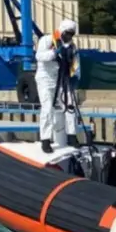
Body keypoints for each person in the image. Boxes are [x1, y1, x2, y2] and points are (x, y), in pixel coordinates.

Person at [36, 19, 79, 153]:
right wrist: (55, 52)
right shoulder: (47, 40)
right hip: (45, 79)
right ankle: (45, 140)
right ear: (61, 31)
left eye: (71, 34)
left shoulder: (71, 46)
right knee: (47, 108)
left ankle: (72, 135)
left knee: (70, 104)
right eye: (67, 33)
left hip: (61, 79)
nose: (69, 37)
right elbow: (39, 56)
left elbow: (75, 63)